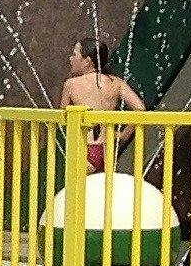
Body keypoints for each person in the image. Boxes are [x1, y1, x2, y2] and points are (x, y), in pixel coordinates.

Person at [58, 35, 145, 170]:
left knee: (79, 189)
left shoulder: (71, 84)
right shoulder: (117, 83)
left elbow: (63, 116)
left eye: (74, 55)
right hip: (107, 150)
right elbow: (140, 109)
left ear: (87, 61)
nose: (71, 59)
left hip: (85, 149)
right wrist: (123, 135)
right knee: (104, 188)